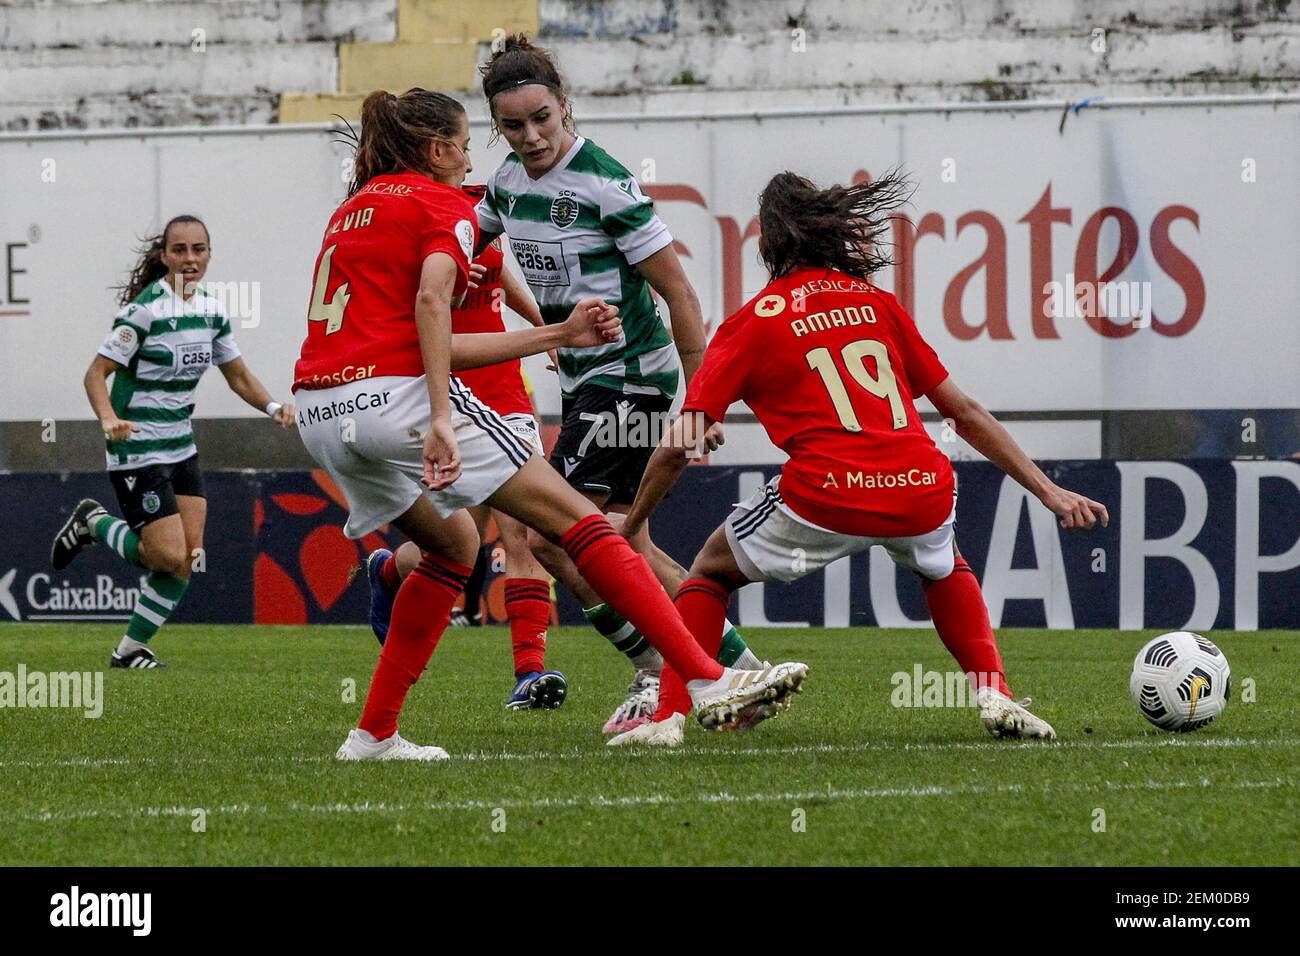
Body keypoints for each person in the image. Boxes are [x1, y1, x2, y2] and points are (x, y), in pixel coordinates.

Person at [292, 88, 807, 761]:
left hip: (318, 409)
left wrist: (548, 331)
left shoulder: (353, 209)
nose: (483, 153)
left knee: (455, 550)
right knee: (578, 527)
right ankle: (705, 679)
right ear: (443, 149)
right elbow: (431, 315)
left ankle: (374, 734)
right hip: (402, 401)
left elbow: (431, 310)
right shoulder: (444, 202)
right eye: (475, 142)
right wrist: (529, 353)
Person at [608, 170, 1109, 747]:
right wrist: (1049, 491)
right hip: (921, 483)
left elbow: (681, 438)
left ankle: (668, 718)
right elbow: (963, 412)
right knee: (943, 565)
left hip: (827, 491)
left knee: (710, 572)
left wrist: (636, 522)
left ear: (766, 245)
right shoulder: (875, 303)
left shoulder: (754, 320)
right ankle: (992, 691)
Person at [475, 35, 762, 734]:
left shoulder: (604, 182)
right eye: (513, 125)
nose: (531, 135)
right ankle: (735, 669)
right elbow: (464, 243)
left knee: (558, 536)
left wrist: (700, 404)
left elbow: (682, 298)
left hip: (629, 376)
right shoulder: (507, 184)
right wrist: (545, 332)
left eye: (542, 117)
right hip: (586, 378)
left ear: (565, 105)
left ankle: (660, 668)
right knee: (624, 542)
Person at [50, 215, 296, 669]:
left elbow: (238, 376)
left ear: (208, 254)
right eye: (179, 249)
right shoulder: (144, 311)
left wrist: (273, 407)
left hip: (181, 447)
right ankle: (93, 522)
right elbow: (95, 373)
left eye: (198, 249)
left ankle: (129, 651)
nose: (189, 259)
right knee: (165, 554)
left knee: (188, 555)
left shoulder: (211, 312)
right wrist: (109, 418)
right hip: (136, 449)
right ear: (164, 256)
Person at [367, 187, 568, 711]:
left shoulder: (480, 204)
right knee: (463, 538)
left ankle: (530, 673)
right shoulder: (411, 212)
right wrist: (452, 291)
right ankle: (388, 571)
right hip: (448, 383)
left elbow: (500, 272)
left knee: (526, 530)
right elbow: (412, 303)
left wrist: (546, 333)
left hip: (504, 384)